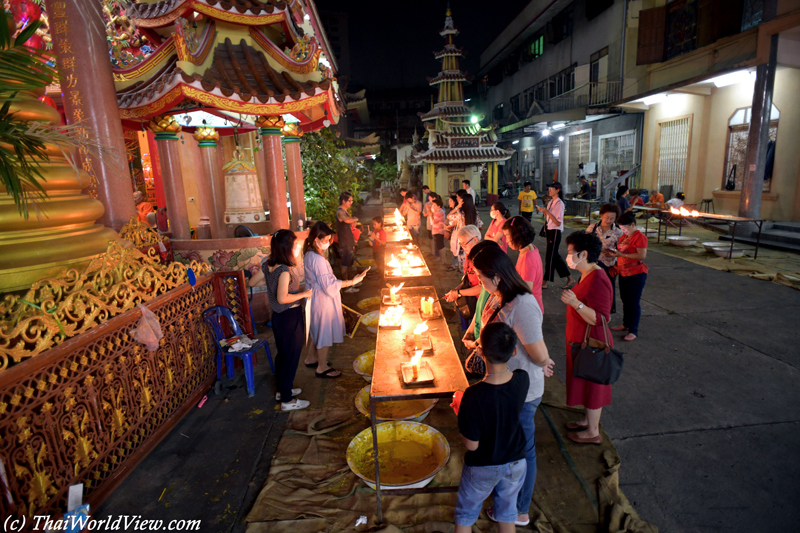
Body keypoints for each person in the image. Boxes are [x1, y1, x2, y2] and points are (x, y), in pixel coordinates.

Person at [467, 248, 554, 526]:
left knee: (523, 449)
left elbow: (538, 355)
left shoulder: (523, 305)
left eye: (481, 277)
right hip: (503, 384)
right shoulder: (500, 296)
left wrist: (546, 361)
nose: (479, 282)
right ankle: (505, 494)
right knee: (508, 444)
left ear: (496, 276)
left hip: (520, 391)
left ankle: (520, 509)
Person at [453, 322, 529, 533]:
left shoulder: (473, 395)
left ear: (481, 352)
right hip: (516, 463)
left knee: (466, 515)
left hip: (483, 466)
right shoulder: (522, 380)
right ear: (514, 351)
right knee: (507, 514)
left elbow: (472, 445)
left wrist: (462, 411)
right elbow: (502, 406)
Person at [559, 231, 614, 444]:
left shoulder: (599, 278)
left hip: (592, 342)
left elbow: (601, 318)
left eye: (571, 252)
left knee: (592, 385)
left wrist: (576, 303)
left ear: (583, 254)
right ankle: (587, 420)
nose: (568, 256)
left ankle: (593, 432)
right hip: (579, 339)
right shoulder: (586, 273)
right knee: (582, 380)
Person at [303, 222, 368, 378]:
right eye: (325, 240)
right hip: (322, 300)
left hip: (314, 298)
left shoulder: (309, 254)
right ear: (315, 239)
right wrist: (352, 282)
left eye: (328, 239)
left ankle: (311, 357)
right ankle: (322, 367)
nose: (328, 243)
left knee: (316, 329)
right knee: (323, 332)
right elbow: (329, 286)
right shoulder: (317, 259)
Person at [261, 230, 313, 411]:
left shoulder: (268, 265)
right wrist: (304, 293)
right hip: (290, 317)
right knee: (290, 357)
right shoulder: (283, 270)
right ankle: (287, 401)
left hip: (278, 318)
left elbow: (252, 283)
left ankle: (282, 390)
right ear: (287, 247)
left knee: (282, 355)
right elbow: (283, 298)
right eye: (295, 244)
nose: (297, 247)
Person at [609, 212, 648, 341]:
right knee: (625, 300)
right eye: (621, 228)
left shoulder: (640, 237)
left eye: (625, 228)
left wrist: (621, 255)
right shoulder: (624, 237)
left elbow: (641, 256)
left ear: (633, 224)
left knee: (633, 302)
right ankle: (626, 324)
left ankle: (633, 330)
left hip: (636, 273)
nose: (623, 230)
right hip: (623, 272)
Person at [537, 182, 575, 290]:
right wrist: (544, 211)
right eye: (549, 188)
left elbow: (558, 222)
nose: (549, 190)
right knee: (554, 256)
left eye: (551, 189)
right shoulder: (551, 203)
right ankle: (570, 278)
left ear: (557, 190)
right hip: (550, 230)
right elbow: (549, 218)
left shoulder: (559, 204)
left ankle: (545, 281)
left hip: (555, 231)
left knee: (550, 257)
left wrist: (546, 212)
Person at [586, 203, 623, 314]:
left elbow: (621, 250)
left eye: (612, 218)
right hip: (592, 263)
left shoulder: (618, 232)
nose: (609, 220)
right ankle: (592, 309)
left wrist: (614, 253)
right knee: (592, 287)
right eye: (606, 217)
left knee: (608, 288)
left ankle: (608, 311)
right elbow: (585, 242)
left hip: (609, 264)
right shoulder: (592, 228)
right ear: (601, 215)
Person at [502, 216, 543, 314]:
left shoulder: (528, 258)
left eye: (507, 236)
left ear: (517, 235)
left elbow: (525, 289)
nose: (506, 240)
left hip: (529, 310)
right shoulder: (529, 249)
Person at [444, 225, 483, 329]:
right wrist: (455, 290)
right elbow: (468, 278)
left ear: (475, 239)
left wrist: (459, 293)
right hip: (471, 301)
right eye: (460, 244)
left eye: (464, 244)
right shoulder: (469, 255)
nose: (462, 247)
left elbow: (483, 287)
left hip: (482, 303)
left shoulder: (482, 258)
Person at [463, 240, 502, 342]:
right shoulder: (491, 289)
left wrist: (477, 345)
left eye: (480, 278)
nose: (480, 284)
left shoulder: (498, 295)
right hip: (478, 336)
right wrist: (471, 330)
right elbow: (480, 311)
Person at [336, 192, 360, 293]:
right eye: (349, 201)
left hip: (348, 242)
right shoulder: (340, 212)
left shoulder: (345, 211)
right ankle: (346, 287)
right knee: (345, 265)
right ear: (343, 201)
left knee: (349, 263)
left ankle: (351, 283)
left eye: (352, 201)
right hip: (344, 243)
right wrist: (355, 219)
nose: (351, 202)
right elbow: (346, 220)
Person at [446, 195, 463, 272]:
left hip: (460, 234)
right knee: (456, 250)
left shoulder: (459, 213)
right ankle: (456, 265)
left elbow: (448, 216)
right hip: (457, 233)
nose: (449, 203)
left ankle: (458, 267)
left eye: (450, 201)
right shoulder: (458, 212)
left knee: (459, 251)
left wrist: (457, 207)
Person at [431, 196, 447, 265]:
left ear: (438, 206)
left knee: (440, 246)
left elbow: (434, 221)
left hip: (438, 231)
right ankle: (443, 259)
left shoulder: (438, 212)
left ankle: (442, 260)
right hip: (441, 230)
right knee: (441, 245)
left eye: (434, 205)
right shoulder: (441, 211)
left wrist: (431, 214)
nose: (433, 207)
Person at [422, 186, 434, 252]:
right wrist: (428, 212)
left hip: (435, 225)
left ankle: (438, 255)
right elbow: (424, 214)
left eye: (430, 198)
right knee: (431, 238)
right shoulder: (427, 204)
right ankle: (432, 252)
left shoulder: (436, 205)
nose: (429, 199)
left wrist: (429, 211)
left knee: (435, 239)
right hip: (429, 224)